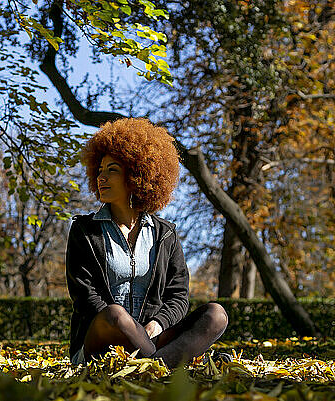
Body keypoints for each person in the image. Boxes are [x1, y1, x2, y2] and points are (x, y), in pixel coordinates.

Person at [65, 117, 229, 368]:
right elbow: (85, 296)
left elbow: (178, 296)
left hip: (153, 338)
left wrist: (158, 323)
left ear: (137, 175)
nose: (102, 177)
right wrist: (130, 330)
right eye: (100, 170)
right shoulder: (84, 231)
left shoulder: (165, 234)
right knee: (115, 315)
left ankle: (151, 365)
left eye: (113, 170)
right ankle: (166, 364)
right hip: (103, 341)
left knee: (216, 315)